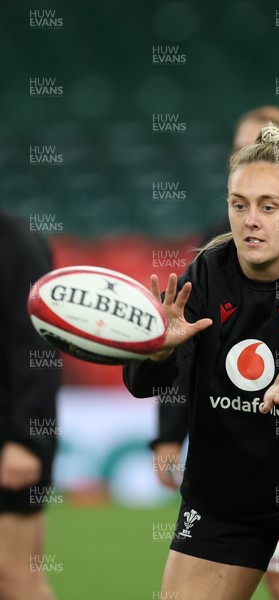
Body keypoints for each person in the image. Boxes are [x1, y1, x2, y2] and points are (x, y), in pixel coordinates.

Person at [124, 124, 279, 600]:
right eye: (238, 204)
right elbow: (144, 383)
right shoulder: (204, 273)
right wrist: (155, 350)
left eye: (268, 206)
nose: (249, 220)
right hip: (224, 496)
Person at [0, 211, 60, 600]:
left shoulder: (13, 240)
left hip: (10, 438)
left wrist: (27, 438)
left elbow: (40, 344)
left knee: (12, 576)